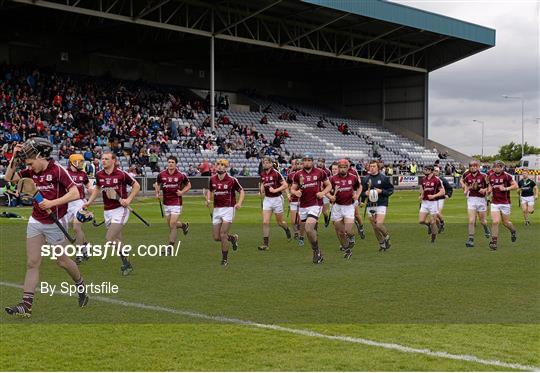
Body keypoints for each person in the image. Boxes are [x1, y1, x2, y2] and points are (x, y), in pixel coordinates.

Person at [4, 138, 88, 317]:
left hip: (55, 222)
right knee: (32, 262)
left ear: (40, 156)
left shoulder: (58, 170)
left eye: (31, 162)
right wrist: (15, 158)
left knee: (62, 261)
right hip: (36, 220)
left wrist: (52, 202)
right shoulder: (29, 171)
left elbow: (75, 193)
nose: (30, 167)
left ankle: (80, 284)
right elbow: (8, 178)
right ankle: (26, 305)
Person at [84, 152, 141, 275]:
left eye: (106, 159)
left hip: (120, 210)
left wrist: (128, 200)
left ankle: (127, 262)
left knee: (109, 238)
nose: (103, 161)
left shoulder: (121, 174)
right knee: (117, 239)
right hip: (107, 211)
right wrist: (89, 202)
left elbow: (136, 186)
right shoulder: (99, 175)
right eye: (102, 159)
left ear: (113, 161)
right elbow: (98, 189)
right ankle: (126, 264)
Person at [291, 153, 332, 264]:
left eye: (309, 160)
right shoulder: (297, 174)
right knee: (310, 232)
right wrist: (296, 192)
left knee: (308, 229)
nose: (307, 162)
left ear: (312, 161)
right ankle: (317, 251)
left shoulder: (320, 172)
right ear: (302, 162)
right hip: (303, 206)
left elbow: (329, 185)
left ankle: (316, 251)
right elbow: (292, 189)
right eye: (305, 160)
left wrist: (322, 193)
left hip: (315, 204)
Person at [205, 159, 244, 266]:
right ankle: (233, 238)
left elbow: (241, 191)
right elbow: (209, 190)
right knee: (216, 237)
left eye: (222, 165)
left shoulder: (232, 180)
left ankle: (224, 259)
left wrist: (239, 203)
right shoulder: (212, 179)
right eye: (218, 164)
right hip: (217, 209)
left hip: (228, 209)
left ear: (226, 167)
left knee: (222, 234)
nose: (220, 166)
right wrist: (208, 199)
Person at [155, 156, 191, 254]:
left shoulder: (181, 175)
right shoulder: (161, 174)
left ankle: (170, 247)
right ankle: (183, 225)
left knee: (172, 224)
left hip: (176, 202)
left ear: (176, 164)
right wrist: (157, 192)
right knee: (171, 225)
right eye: (169, 162)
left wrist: (182, 192)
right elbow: (157, 183)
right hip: (166, 202)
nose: (170, 164)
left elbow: (189, 185)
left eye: (172, 162)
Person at [328, 159, 361, 259]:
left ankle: (351, 236)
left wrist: (357, 195)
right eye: (340, 167)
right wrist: (330, 197)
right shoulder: (332, 179)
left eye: (344, 167)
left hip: (349, 207)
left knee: (348, 230)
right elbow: (324, 189)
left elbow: (359, 187)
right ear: (338, 168)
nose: (342, 169)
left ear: (347, 168)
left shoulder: (353, 177)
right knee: (341, 232)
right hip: (337, 207)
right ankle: (347, 250)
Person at [258, 157, 291, 251]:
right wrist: (261, 190)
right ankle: (265, 244)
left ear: (271, 164)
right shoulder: (262, 174)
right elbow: (262, 183)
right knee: (265, 222)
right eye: (264, 162)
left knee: (280, 222)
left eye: (267, 162)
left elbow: (285, 185)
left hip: (277, 199)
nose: (265, 164)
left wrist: (275, 190)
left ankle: (286, 229)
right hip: (267, 200)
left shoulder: (276, 173)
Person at [66, 153, 94, 264]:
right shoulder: (65, 173)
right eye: (80, 161)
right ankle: (85, 246)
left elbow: (88, 187)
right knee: (72, 229)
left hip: (79, 202)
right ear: (74, 162)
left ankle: (78, 253)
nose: (82, 164)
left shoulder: (83, 174)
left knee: (76, 227)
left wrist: (93, 192)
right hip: (67, 203)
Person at [360, 160, 394, 251]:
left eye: (374, 166)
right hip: (370, 205)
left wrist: (381, 191)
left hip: (381, 203)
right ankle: (382, 244)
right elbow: (361, 192)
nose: (372, 168)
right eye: (370, 166)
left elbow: (391, 190)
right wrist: (364, 196)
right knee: (375, 227)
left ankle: (387, 237)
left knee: (379, 224)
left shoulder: (384, 178)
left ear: (378, 167)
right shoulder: (366, 179)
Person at [487, 160, 518, 250]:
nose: (496, 168)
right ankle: (494, 242)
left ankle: (513, 231)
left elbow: (515, 186)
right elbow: (490, 186)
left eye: (498, 167)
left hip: (505, 203)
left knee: (506, 223)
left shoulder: (507, 176)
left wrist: (505, 188)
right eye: (495, 166)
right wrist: (488, 191)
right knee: (495, 222)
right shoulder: (491, 176)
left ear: (502, 167)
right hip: (495, 202)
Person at [460, 160, 491, 247]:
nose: (473, 167)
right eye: (471, 166)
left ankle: (486, 228)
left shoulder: (484, 176)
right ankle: (470, 240)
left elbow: (489, 187)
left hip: (481, 200)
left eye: (475, 166)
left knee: (483, 221)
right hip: (471, 199)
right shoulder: (467, 176)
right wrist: (466, 190)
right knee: (471, 221)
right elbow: (466, 185)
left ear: (478, 167)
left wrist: (485, 190)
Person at [418, 165, 445, 243]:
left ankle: (433, 239)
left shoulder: (436, 180)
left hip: (433, 203)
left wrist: (434, 196)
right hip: (424, 203)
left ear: (430, 170)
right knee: (421, 221)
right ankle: (429, 225)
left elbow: (442, 192)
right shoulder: (423, 179)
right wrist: (421, 195)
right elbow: (422, 189)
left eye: (426, 169)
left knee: (433, 222)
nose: (424, 171)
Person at [348, 160, 366, 239]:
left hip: (353, 194)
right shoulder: (339, 171)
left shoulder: (354, 172)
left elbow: (359, 185)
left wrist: (358, 197)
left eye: (349, 165)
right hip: (343, 197)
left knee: (356, 214)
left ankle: (361, 227)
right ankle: (348, 235)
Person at [433, 166, 453, 233]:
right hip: (432, 199)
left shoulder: (442, 179)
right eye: (434, 170)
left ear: (439, 172)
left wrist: (448, 194)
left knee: (437, 212)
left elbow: (449, 188)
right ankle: (440, 226)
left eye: (436, 171)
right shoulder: (429, 179)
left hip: (440, 198)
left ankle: (442, 222)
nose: (435, 172)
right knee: (434, 215)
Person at [287, 159, 302, 242]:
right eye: (297, 164)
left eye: (300, 164)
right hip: (293, 199)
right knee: (293, 221)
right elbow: (287, 186)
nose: (299, 165)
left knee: (300, 220)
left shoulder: (305, 175)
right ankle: (296, 232)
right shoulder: (291, 175)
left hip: (302, 200)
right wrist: (289, 195)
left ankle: (299, 233)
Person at [316, 158, 332, 228]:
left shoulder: (327, 171)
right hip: (316, 193)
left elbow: (329, 182)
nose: (320, 163)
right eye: (319, 161)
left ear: (324, 163)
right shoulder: (314, 170)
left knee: (324, 211)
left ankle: (326, 218)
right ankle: (315, 223)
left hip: (325, 192)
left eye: (322, 162)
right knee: (315, 209)